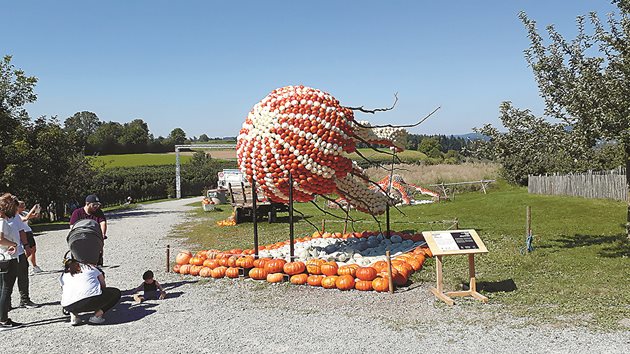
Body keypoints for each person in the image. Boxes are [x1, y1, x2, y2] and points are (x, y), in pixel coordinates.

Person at [60, 259, 121, 326]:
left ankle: (74, 317)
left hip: (68, 305)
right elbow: (103, 286)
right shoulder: (90, 268)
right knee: (116, 293)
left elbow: (64, 290)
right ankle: (97, 316)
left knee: (71, 295)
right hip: (91, 301)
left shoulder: (63, 276)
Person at [6, 204, 40, 310]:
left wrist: (26, 246)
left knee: (23, 275)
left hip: (19, 252)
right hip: (5, 254)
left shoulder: (16, 217)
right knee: (6, 280)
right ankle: (6, 303)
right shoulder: (3, 219)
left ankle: (24, 300)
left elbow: (21, 231)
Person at [0, 193, 23, 330]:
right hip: (8, 258)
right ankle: (3, 320)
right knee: (6, 289)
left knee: (2, 288)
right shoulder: (2, 221)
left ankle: (3, 317)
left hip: (4, 258)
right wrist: (13, 244)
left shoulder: (5, 220)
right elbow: (0, 239)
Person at [69, 194, 107, 265]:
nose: (96, 207)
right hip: (80, 237)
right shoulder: (77, 213)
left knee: (98, 246)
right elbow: (72, 226)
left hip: (94, 237)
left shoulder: (98, 212)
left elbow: (103, 222)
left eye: (98, 205)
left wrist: (102, 235)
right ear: (87, 204)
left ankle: (98, 260)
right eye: (94, 205)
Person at [17, 201, 42, 273]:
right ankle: (21, 264)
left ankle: (34, 266)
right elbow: (25, 218)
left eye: (24, 206)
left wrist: (37, 210)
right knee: (28, 251)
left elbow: (34, 215)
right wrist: (33, 208)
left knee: (33, 250)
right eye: (21, 206)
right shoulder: (17, 215)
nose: (23, 208)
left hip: (29, 232)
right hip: (24, 233)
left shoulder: (23, 213)